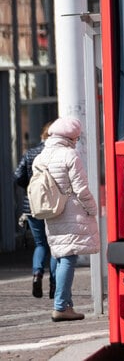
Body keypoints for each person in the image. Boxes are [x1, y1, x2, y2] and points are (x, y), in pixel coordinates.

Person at [31, 116, 100, 322]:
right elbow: (81, 189)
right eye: (76, 137)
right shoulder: (70, 155)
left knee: (61, 256)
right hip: (72, 211)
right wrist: (92, 208)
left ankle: (67, 305)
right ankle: (61, 306)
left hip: (51, 212)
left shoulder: (40, 157)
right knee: (69, 258)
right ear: (71, 137)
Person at [13, 121, 57, 299]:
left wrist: (30, 188)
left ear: (42, 136)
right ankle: (54, 284)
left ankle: (37, 274)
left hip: (32, 205)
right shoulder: (56, 154)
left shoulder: (30, 153)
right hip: (54, 206)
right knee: (55, 246)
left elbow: (18, 176)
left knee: (40, 244)